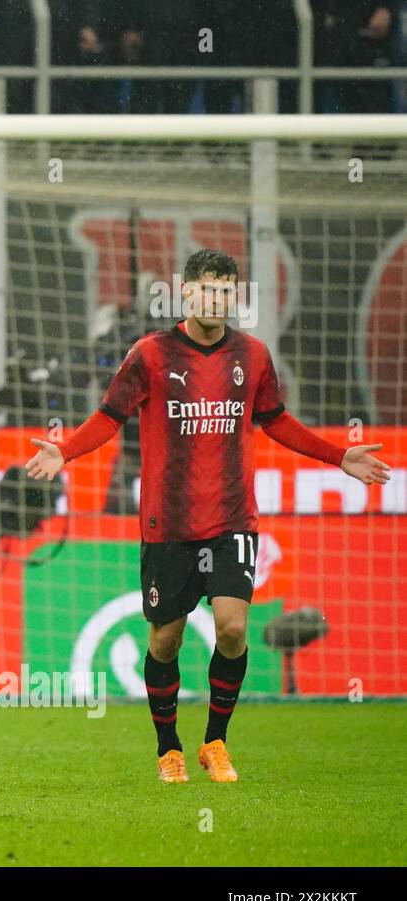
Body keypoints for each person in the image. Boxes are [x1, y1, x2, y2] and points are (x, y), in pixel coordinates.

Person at [25, 249, 391, 783]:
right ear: (187, 293)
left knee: (233, 627)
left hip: (233, 520)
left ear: (233, 297)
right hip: (167, 525)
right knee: (164, 642)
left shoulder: (253, 356)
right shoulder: (150, 355)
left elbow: (278, 422)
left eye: (227, 290)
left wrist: (340, 456)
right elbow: (110, 416)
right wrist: (66, 450)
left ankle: (214, 742)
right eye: (207, 289)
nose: (217, 299)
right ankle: (168, 748)